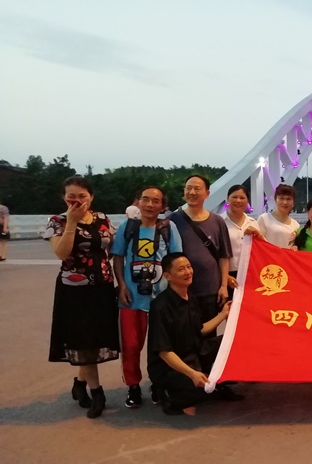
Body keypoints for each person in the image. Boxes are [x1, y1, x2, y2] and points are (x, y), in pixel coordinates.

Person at [44, 175, 120, 418]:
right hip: (74, 292)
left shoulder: (102, 219)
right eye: (71, 197)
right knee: (84, 341)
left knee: (94, 339)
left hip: (102, 288)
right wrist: (71, 223)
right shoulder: (57, 221)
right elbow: (62, 253)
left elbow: (113, 248)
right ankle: (97, 392)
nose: (77, 201)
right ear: (63, 198)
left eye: (82, 196)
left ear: (91, 197)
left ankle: (79, 384)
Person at [111, 186, 182, 409]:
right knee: (131, 345)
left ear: (163, 206)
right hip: (132, 297)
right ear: (138, 202)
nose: (150, 205)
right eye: (145, 199)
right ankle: (133, 385)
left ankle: (158, 383)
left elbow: (176, 259)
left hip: (161, 298)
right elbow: (118, 257)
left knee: (161, 345)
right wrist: (122, 285)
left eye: (156, 201)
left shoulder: (168, 228)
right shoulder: (127, 227)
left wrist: (174, 293)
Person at [148, 252, 242, 415]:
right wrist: (192, 374)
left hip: (194, 352)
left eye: (189, 267)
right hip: (169, 366)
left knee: (233, 344)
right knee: (201, 388)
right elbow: (164, 352)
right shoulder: (160, 306)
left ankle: (211, 383)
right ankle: (167, 394)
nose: (188, 272)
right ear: (167, 276)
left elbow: (201, 329)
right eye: (181, 269)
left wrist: (223, 314)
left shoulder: (190, 296)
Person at [169, 175, 232, 328]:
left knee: (209, 334)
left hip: (210, 289)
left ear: (207, 193)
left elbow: (224, 256)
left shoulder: (217, 221)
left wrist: (223, 286)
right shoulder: (172, 220)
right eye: (188, 188)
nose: (192, 192)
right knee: (182, 333)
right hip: (181, 290)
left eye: (197, 189)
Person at [223, 184, 262, 298]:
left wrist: (259, 235)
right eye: (234, 197)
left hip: (250, 275)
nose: (238, 201)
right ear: (227, 199)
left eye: (242, 198)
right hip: (228, 276)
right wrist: (225, 277)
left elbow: (261, 248)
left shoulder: (253, 222)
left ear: (247, 201)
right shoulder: (219, 222)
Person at [257, 184, 300, 249]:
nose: (285, 202)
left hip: (286, 256)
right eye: (281, 198)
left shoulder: (296, 225)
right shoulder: (264, 219)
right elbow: (258, 244)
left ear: (293, 202)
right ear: (275, 200)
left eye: (288, 199)